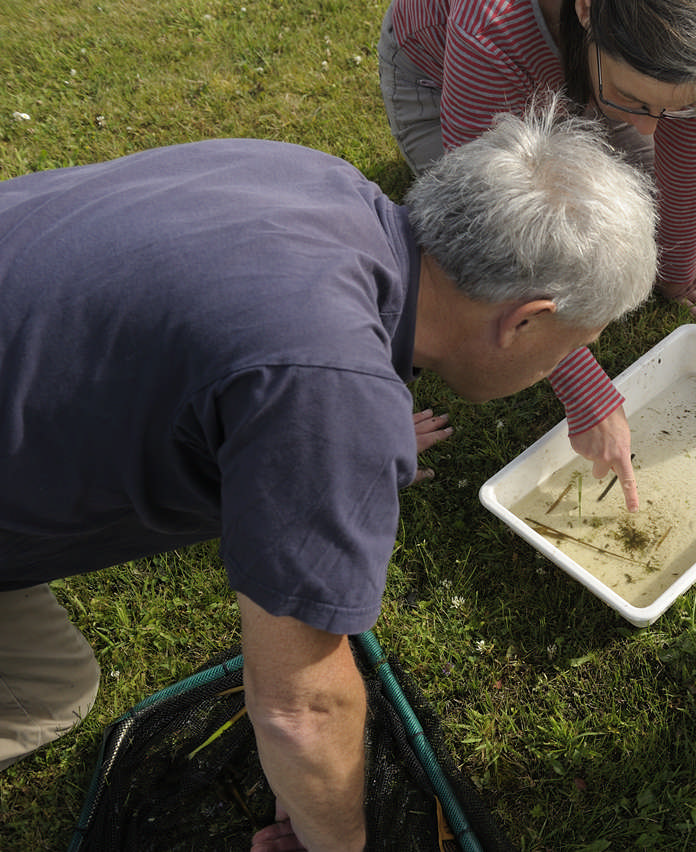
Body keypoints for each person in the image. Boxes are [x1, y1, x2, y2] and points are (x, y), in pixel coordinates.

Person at [0, 106, 657, 852]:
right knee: (43, 697)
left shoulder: (316, 178)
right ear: (524, 321)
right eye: (571, 348)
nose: (555, 370)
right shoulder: (329, 393)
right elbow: (299, 710)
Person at [378, 0, 696, 511]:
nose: (652, 132)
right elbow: (497, 226)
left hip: (597, 72)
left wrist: (678, 270)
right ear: (587, 11)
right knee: (481, 257)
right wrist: (587, 391)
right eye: (637, 102)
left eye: (668, 109)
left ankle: (637, 98)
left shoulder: (684, 26)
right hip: (446, 85)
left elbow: (684, 137)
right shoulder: (491, 25)